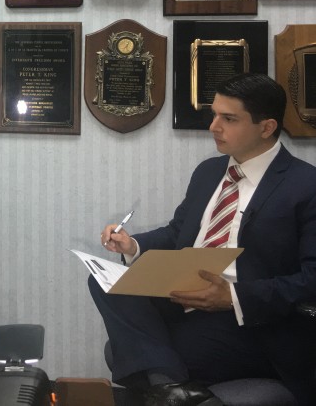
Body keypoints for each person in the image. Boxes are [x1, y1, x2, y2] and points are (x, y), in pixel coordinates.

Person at [92, 73, 316, 405]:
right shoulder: (209, 172)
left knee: (132, 354)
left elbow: (311, 279)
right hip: (184, 298)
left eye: (229, 119)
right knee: (105, 281)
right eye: (214, 115)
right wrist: (133, 245)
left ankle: (163, 383)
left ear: (266, 127)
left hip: (250, 321)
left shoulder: (305, 184)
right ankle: (171, 389)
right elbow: (177, 232)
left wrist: (233, 297)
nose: (213, 127)